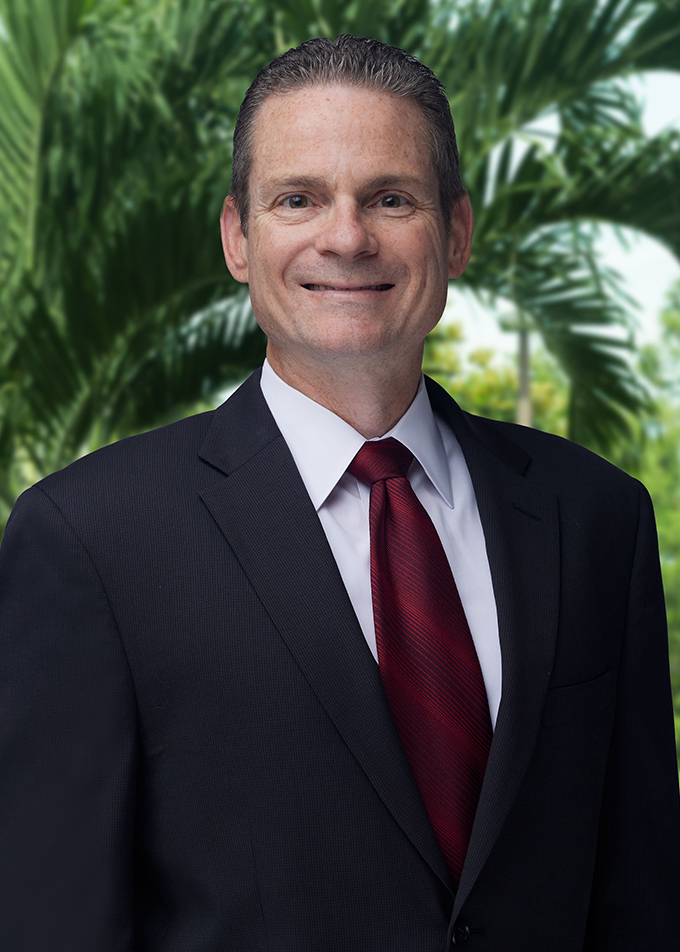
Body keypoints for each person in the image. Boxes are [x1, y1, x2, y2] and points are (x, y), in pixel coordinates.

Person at [0, 34, 678, 952]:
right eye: (299, 199)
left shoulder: (595, 516)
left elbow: (642, 902)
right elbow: (52, 922)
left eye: (391, 198)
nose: (348, 237)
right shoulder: (90, 539)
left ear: (457, 233)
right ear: (239, 238)